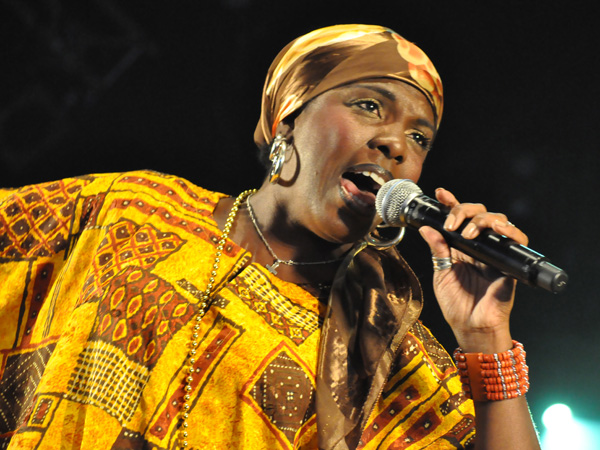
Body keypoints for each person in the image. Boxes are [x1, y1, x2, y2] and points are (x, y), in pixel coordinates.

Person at [0, 24, 541, 449]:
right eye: (369, 106)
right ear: (288, 118)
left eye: (419, 137)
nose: (396, 144)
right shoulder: (131, 210)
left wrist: (484, 337)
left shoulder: (383, 344)